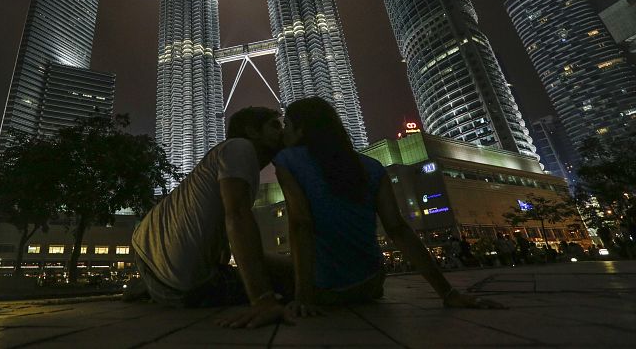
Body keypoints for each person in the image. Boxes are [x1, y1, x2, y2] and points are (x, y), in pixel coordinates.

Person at [274, 97, 504, 315]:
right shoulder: (372, 167)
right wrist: (448, 293)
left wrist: (303, 297)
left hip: (322, 290)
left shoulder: (288, 160)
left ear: (301, 130)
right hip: (370, 284)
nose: (282, 131)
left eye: (287, 124)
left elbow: (300, 223)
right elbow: (398, 229)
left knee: (261, 262)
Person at [130, 106, 294, 328]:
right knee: (296, 279)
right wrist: (263, 300)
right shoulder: (240, 147)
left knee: (282, 266)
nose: (282, 131)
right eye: (275, 125)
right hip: (183, 288)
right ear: (252, 131)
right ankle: (151, 287)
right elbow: (236, 216)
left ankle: (148, 286)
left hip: (148, 257)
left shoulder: (230, 159)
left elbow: (225, 238)